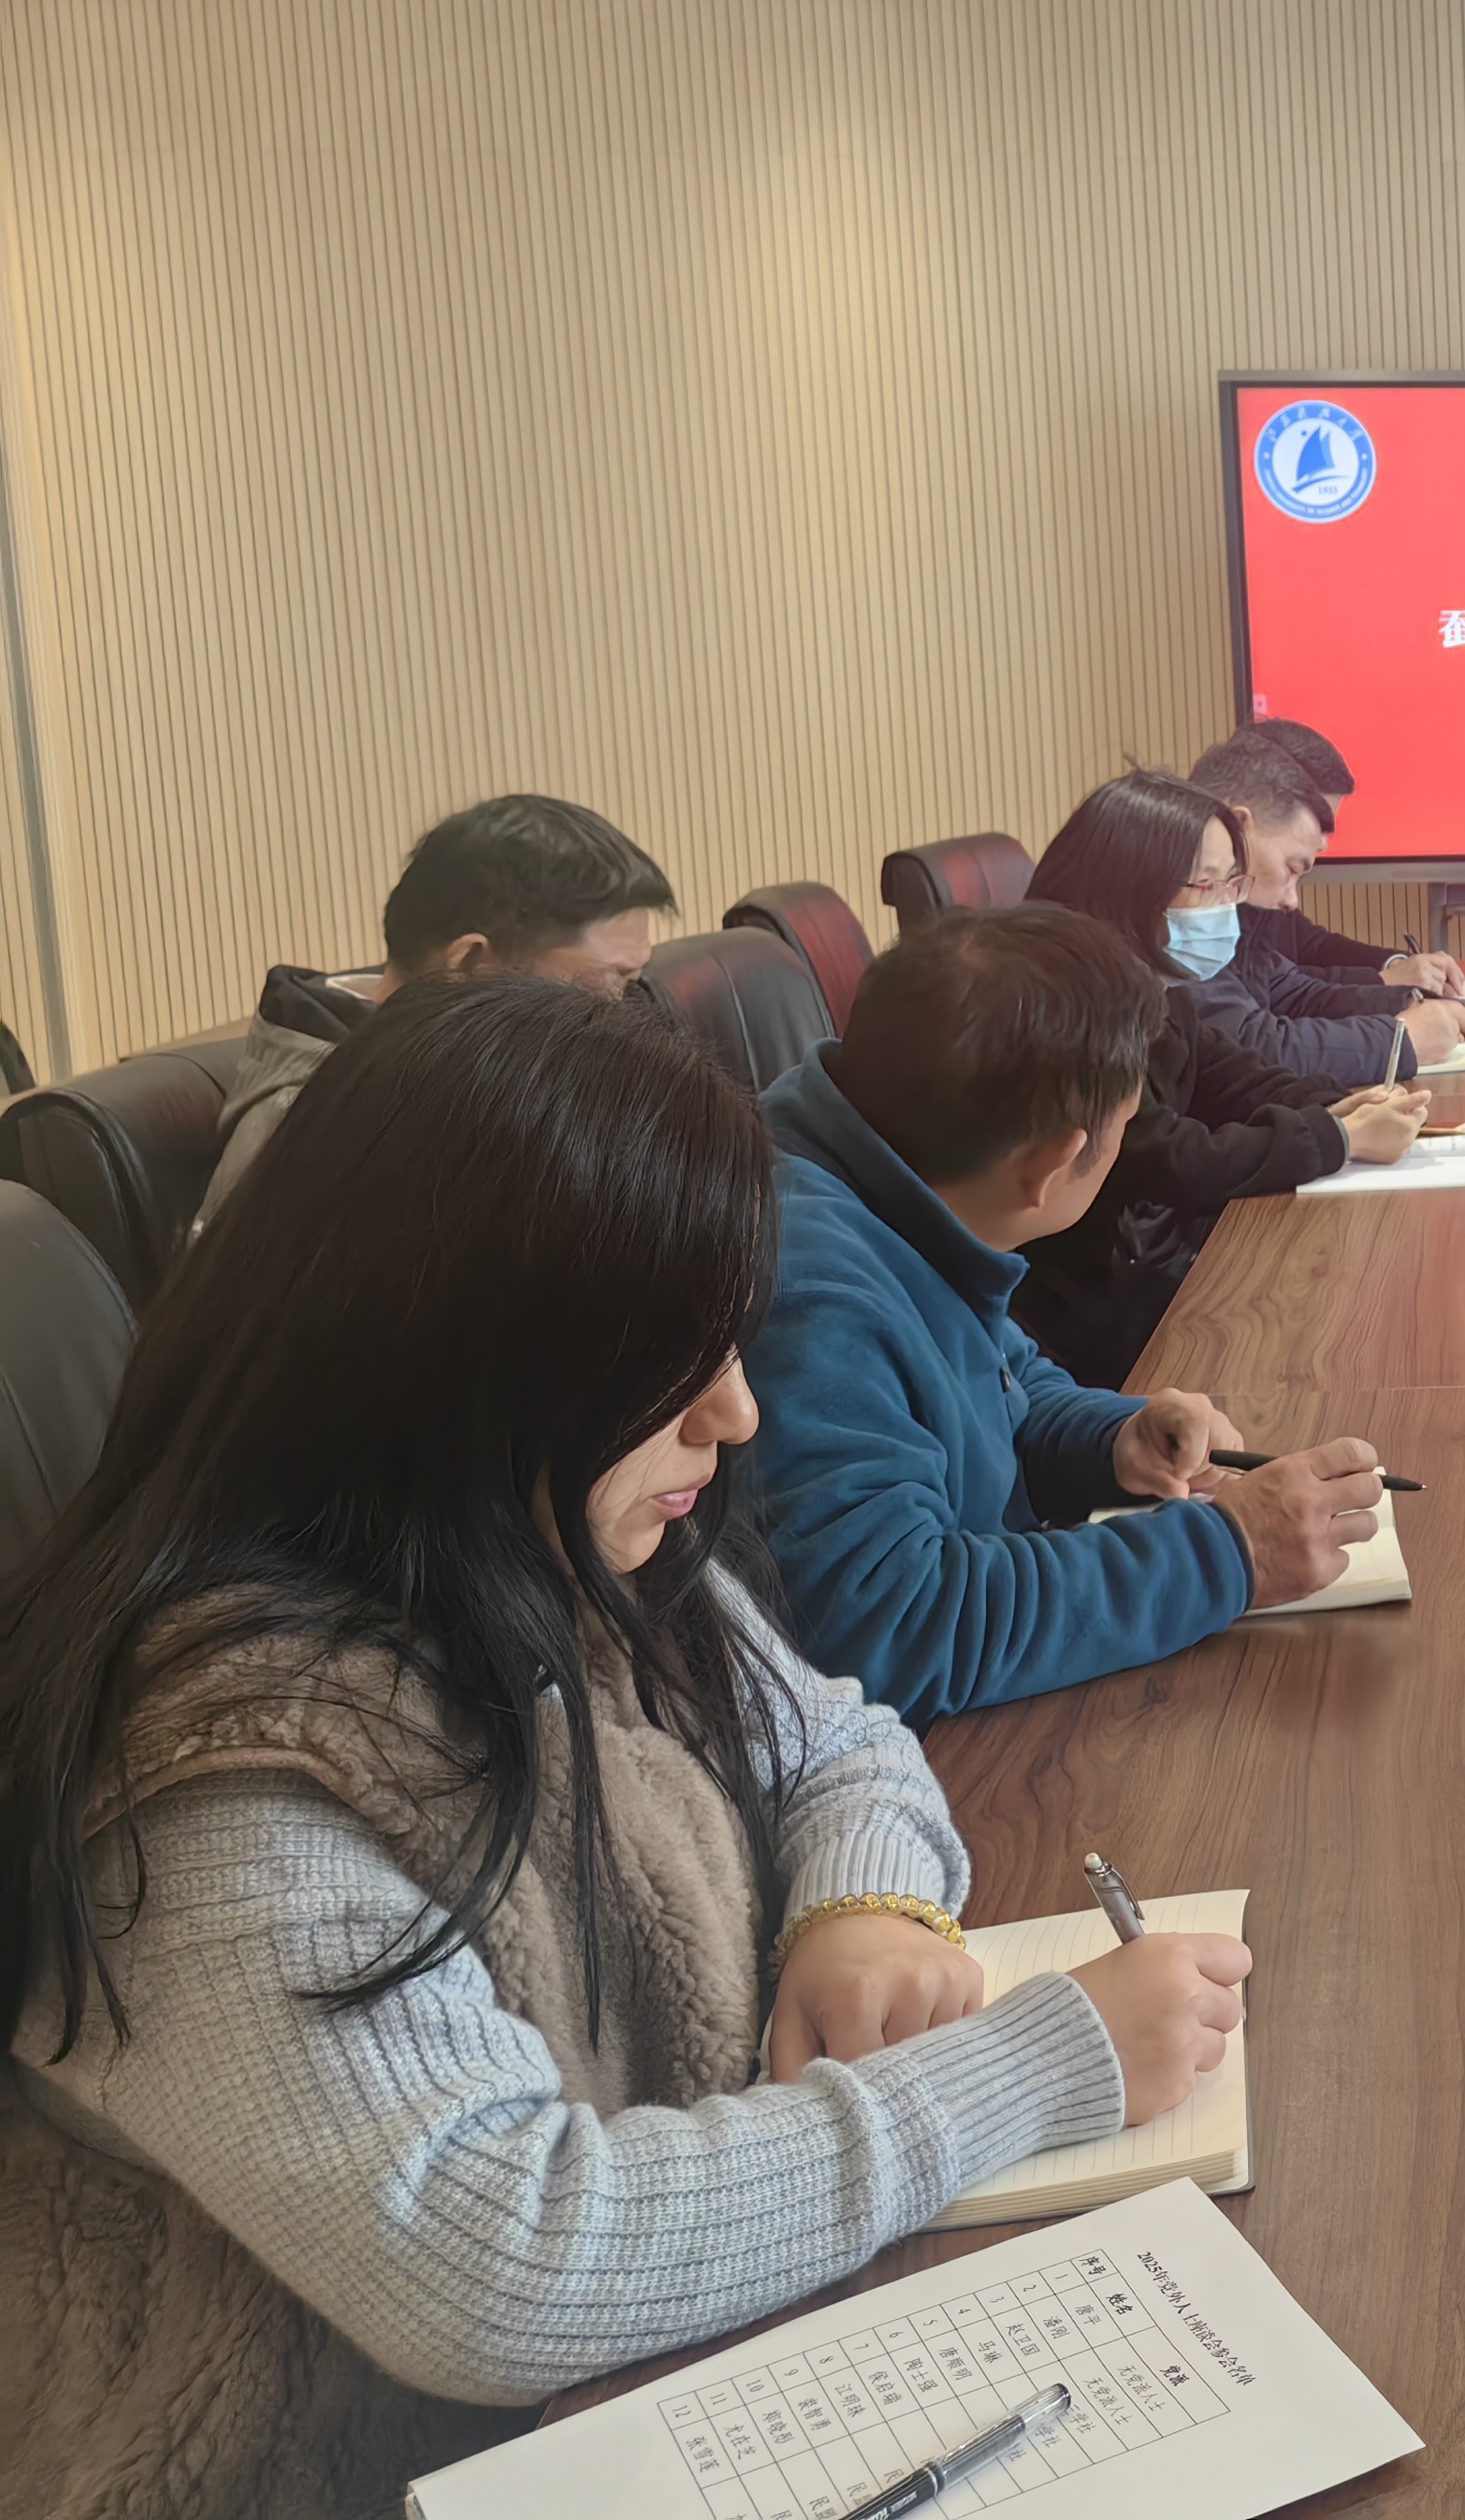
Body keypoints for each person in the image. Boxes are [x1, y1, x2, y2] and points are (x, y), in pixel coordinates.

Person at [0, 975, 1255, 2519]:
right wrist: (1039, 2067)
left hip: (651, 2385)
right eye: (675, 1360)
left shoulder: (556, 1533)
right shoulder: (218, 1787)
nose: (736, 1416)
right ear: (463, 1360)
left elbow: (833, 1734)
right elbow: (502, 2262)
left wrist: (861, 1909)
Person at [748, 905, 1388, 1723]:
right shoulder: (811, 1294)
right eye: (1125, 1127)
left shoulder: (884, 1167)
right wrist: (1233, 1550)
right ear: (1053, 1166)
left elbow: (999, 1378)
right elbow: (888, 1624)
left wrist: (1111, 1439)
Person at [1013, 772, 1428, 1386]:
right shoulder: (1065, 1004)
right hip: (1091, 1319)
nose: (1226, 907)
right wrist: (1335, 1140)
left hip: (1148, 1265)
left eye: (1232, 883)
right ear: (1129, 886)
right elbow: (1165, 1156)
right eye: (1208, 885)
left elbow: (1227, 1072)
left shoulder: (1152, 979)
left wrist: (1338, 1105)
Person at [200, 792, 670, 1221]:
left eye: (633, 982)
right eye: (610, 983)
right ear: (469, 964)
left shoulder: (489, 1069)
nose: (623, 1013)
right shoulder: (311, 1128)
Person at [1183, 733, 1465, 1088]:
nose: (1292, 901)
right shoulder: (1177, 912)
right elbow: (1248, 1047)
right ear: (1238, 827)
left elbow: (1290, 991)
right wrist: (1399, 1041)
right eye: (1292, 868)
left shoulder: (1220, 910)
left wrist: (1407, 998)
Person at [1200, 720, 1465, 1006]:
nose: (1322, 843)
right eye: (1316, 821)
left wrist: (1397, 965)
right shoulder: (1201, 909)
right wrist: (1387, 984)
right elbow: (1279, 997)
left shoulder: (1260, 884)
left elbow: (1308, 947)